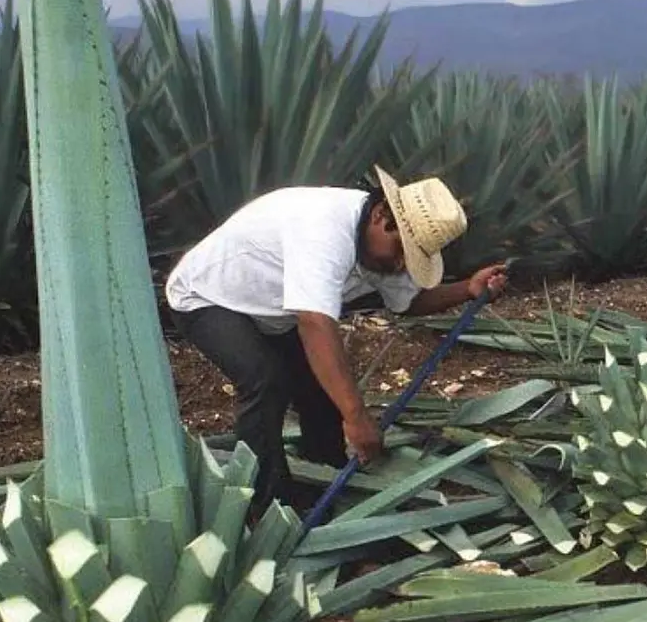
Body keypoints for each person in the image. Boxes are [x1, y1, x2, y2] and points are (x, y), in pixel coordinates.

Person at [164, 166, 508, 517]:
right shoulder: (323, 230)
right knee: (266, 381)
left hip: (271, 308)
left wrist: (467, 289)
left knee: (320, 386)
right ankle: (263, 508)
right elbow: (314, 323)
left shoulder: (381, 247)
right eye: (402, 252)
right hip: (207, 296)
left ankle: (323, 473)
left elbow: (410, 300)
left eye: (412, 257)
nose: (402, 264)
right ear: (379, 215)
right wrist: (356, 417)